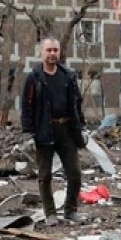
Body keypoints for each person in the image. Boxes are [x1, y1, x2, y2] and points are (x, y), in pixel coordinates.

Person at [21, 37, 88, 226]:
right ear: (41, 52)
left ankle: (71, 210)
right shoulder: (34, 78)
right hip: (44, 131)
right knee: (45, 175)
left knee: (74, 173)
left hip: (67, 130)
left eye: (55, 50)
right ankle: (50, 213)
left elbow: (77, 103)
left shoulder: (68, 76)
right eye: (49, 50)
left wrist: (81, 127)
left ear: (59, 53)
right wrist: (28, 133)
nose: (52, 54)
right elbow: (26, 107)